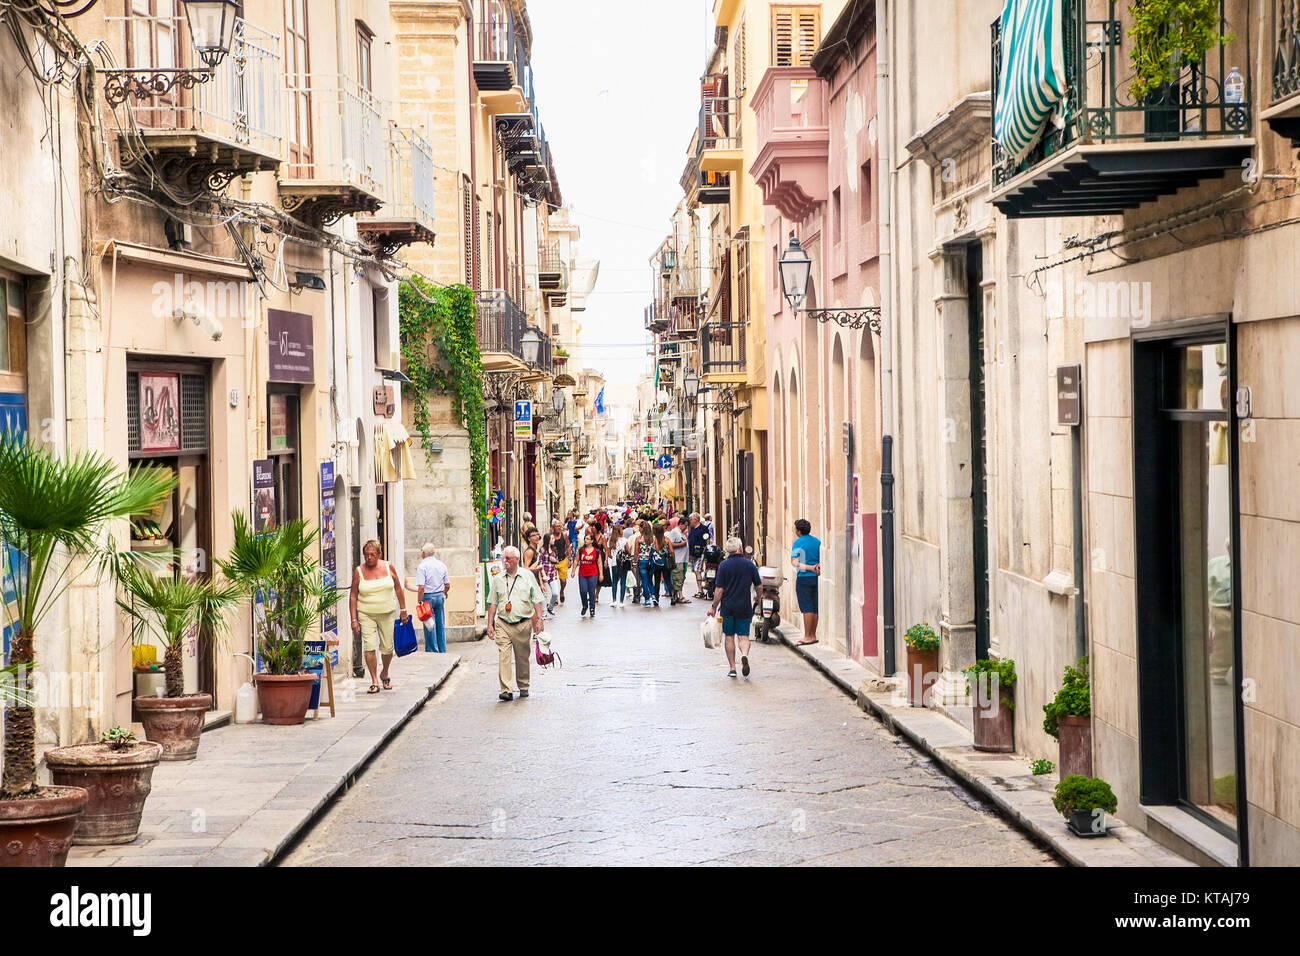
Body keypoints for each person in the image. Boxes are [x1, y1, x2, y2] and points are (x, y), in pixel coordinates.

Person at [486, 546, 546, 701]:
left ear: (517, 560)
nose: (505, 561)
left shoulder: (527, 576)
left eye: (508, 558)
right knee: (503, 656)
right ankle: (506, 689)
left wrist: (539, 619)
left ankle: (524, 685)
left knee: (522, 656)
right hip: (503, 623)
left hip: (523, 623)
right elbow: (492, 602)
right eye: (503, 558)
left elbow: (537, 599)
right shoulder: (498, 578)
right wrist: (490, 624)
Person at [349, 539, 409, 693]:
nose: (369, 558)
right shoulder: (359, 571)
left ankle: (385, 672)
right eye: (366, 555)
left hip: (387, 612)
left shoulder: (388, 567)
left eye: (372, 555)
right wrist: (354, 619)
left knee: (388, 647)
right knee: (369, 645)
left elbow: (398, 589)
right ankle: (374, 679)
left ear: (379, 554)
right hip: (366, 613)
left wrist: (403, 609)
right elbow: (353, 596)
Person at [709, 537, 761, 678]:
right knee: (743, 636)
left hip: (728, 607)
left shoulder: (723, 566)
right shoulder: (749, 565)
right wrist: (758, 597)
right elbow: (759, 585)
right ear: (740, 549)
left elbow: (719, 590)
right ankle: (744, 655)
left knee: (729, 636)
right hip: (744, 606)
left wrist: (713, 607)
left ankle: (732, 668)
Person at [790, 518, 822, 646]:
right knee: (815, 607)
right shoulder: (817, 542)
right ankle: (813, 634)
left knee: (806, 607)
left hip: (804, 578)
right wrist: (817, 567)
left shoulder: (798, 543)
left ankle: (807, 636)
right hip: (816, 578)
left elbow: (794, 562)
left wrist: (810, 568)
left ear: (798, 531)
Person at [415, 542, 450, 654]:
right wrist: (445, 592)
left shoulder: (422, 566)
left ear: (423, 553)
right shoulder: (441, 565)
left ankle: (432, 650)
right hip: (439, 596)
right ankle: (442, 649)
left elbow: (421, 587)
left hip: (428, 597)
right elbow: (447, 584)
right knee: (440, 624)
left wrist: (419, 600)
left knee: (429, 625)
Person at [576, 531, 602, 618]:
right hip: (582, 574)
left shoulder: (596, 551)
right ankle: (584, 605)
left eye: (587, 539)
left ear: (592, 541)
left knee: (591, 592)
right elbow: (576, 560)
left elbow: (599, 563)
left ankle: (592, 609)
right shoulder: (581, 550)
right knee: (583, 591)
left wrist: (601, 574)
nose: (585, 540)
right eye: (585, 538)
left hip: (593, 573)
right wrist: (572, 570)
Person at [667, 517, 690, 605]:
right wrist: (681, 544)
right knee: (678, 578)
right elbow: (670, 544)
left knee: (681, 577)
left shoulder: (681, 533)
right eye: (685, 526)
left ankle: (677, 596)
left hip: (683, 559)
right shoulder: (674, 532)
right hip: (678, 559)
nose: (686, 528)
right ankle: (680, 596)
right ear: (681, 524)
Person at [538, 528, 561, 616]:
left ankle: (550, 607)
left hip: (553, 574)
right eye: (552, 538)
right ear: (548, 540)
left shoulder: (554, 549)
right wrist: (543, 574)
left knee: (555, 593)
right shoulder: (542, 550)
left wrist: (554, 559)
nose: (554, 540)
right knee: (544, 594)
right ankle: (544, 613)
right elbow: (540, 563)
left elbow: (558, 561)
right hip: (544, 574)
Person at [635, 519, 658, 607]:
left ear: (642, 529)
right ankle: (654, 597)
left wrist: (634, 562)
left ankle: (647, 600)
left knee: (644, 581)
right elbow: (656, 549)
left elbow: (636, 551)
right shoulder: (653, 538)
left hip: (642, 561)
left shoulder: (639, 538)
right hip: (651, 561)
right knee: (650, 580)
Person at [687, 512, 709, 598]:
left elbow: (707, 540)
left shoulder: (703, 528)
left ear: (695, 520)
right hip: (693, 553)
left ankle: (700, 590)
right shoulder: (691, 528)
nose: (689, 521)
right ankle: (700, 589)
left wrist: (706, 551)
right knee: (696, 571)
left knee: (697, 570)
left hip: (701, 552)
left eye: (690, 519)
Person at [550, 518, 571, 604]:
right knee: (553, 580)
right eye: (557, 526)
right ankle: (555, 597)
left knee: (563, 581)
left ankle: (561, 591)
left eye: (560, 526)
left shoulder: (564, 535)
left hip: (562, 560)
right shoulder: (550, 536)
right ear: (553, 527)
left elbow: (568, 546)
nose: (559, 528)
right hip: (553, 562)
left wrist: (569, 559)